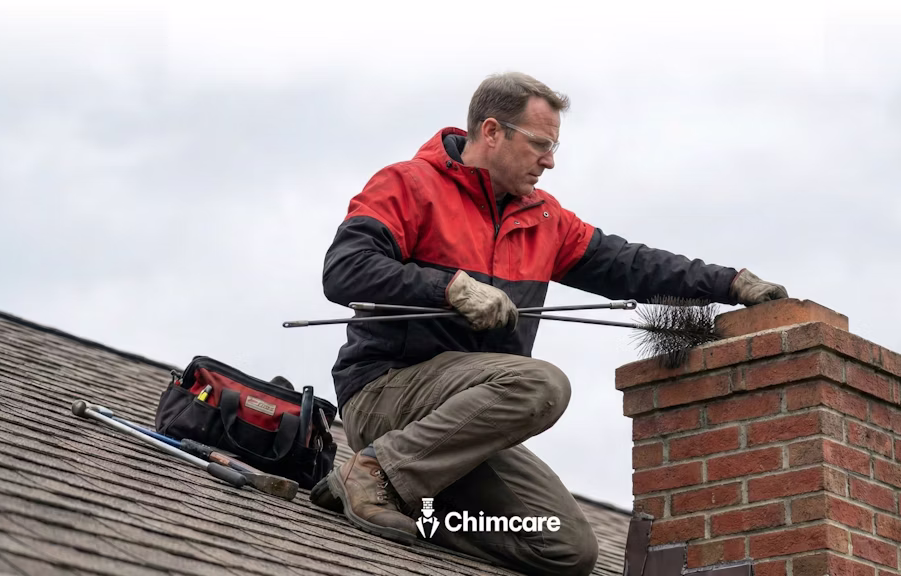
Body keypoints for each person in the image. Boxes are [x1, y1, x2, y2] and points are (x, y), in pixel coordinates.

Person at [320, 72, 788, 576]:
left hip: (460, 428)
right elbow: (344, 269)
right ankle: (373, 470)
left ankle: (399, 500)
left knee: (565, 548)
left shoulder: (546, 221)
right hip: (386, 393)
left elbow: (634, 265)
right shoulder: (410, 184)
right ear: (493, 132)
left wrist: (731, 284)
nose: (550, 160)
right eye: (541, 144)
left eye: (554, 146)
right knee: (542, 384)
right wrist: (450, 288)